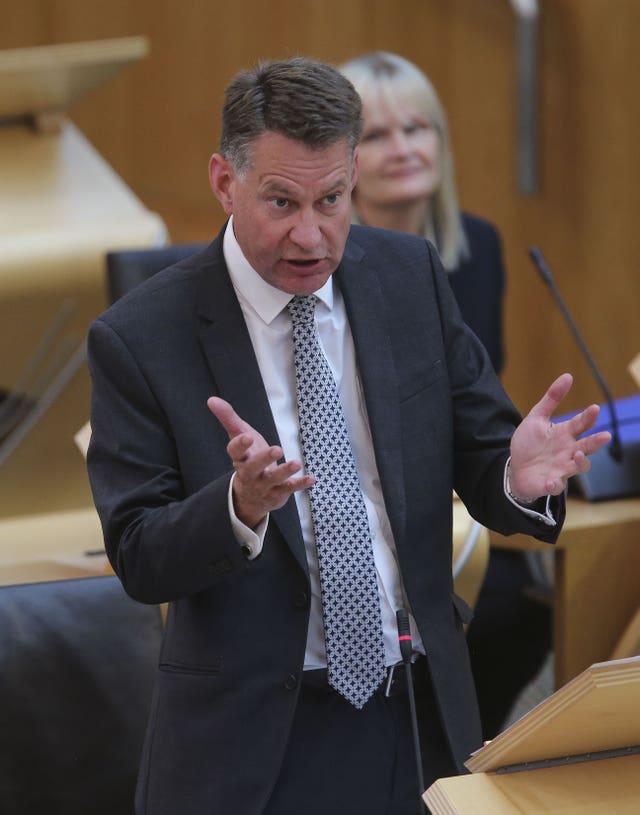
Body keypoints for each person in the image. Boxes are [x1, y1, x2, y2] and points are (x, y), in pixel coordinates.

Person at [86, 57, 610, 815]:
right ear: (223, 182)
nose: (311, 233)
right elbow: (137, 552)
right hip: (259, 742)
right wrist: (237, 505)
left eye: (332, 198)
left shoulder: (407, 275)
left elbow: (481, 450)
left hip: (421, 712)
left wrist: (513, 477)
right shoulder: (141, 336)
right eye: (281, 201)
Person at [339, 51, 550, 738]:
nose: (402, 149)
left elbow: (476, 407)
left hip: (467, 509)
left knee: (527, 608)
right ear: (339, 156)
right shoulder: (320, 265)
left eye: (418, 128)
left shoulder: (478, 247)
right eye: (375, 135)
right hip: (366, 520)